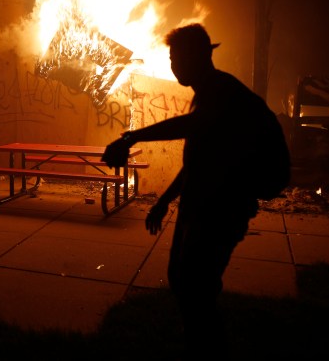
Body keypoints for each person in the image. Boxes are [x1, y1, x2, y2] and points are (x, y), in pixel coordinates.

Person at [101, 23, 282, 358]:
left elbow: (190, 127)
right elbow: (197, 160)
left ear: (200, 55)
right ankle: (200, 344)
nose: (173, 65)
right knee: (182, 280)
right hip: (198, 206)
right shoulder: (205, 95)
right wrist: (165, 202)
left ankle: (207, 350)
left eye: (178, 58)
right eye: (170, 59)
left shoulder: (222, 93)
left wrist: (131, 137)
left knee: (196, 289)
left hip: (220, 211)